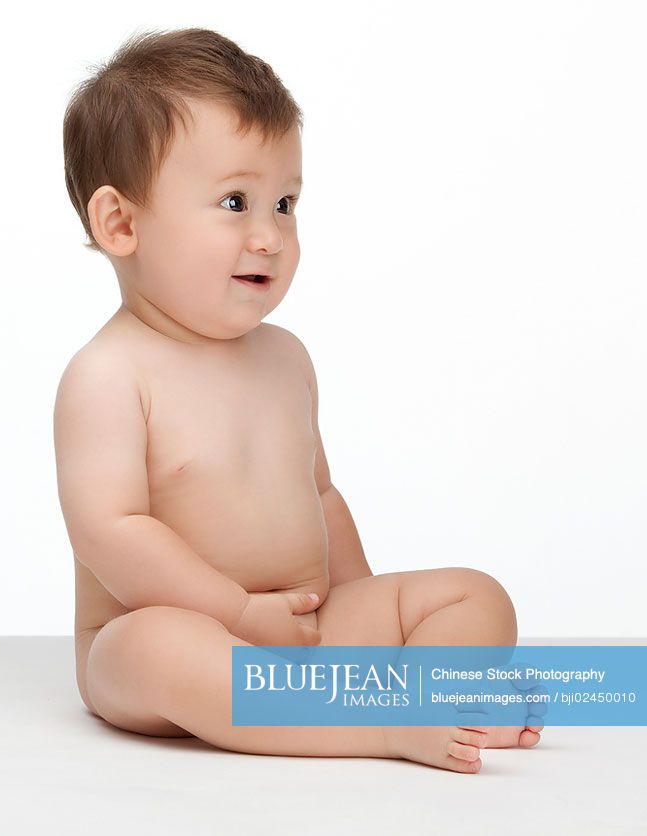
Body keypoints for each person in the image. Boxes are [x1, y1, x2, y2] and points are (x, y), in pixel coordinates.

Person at [54, 27, 542, 774]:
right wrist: (237, 612)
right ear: (121, 223)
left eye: (284, 203)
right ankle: (376, 727)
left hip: (302, 630)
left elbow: (321, 496)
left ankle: (419, 699)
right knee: (156, 648)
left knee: (472, 597)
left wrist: (370, 618)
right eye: (233, 201)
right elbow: (111, 533)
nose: (269, 236)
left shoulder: (285, 359)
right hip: (178, 638)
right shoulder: (109, 375)